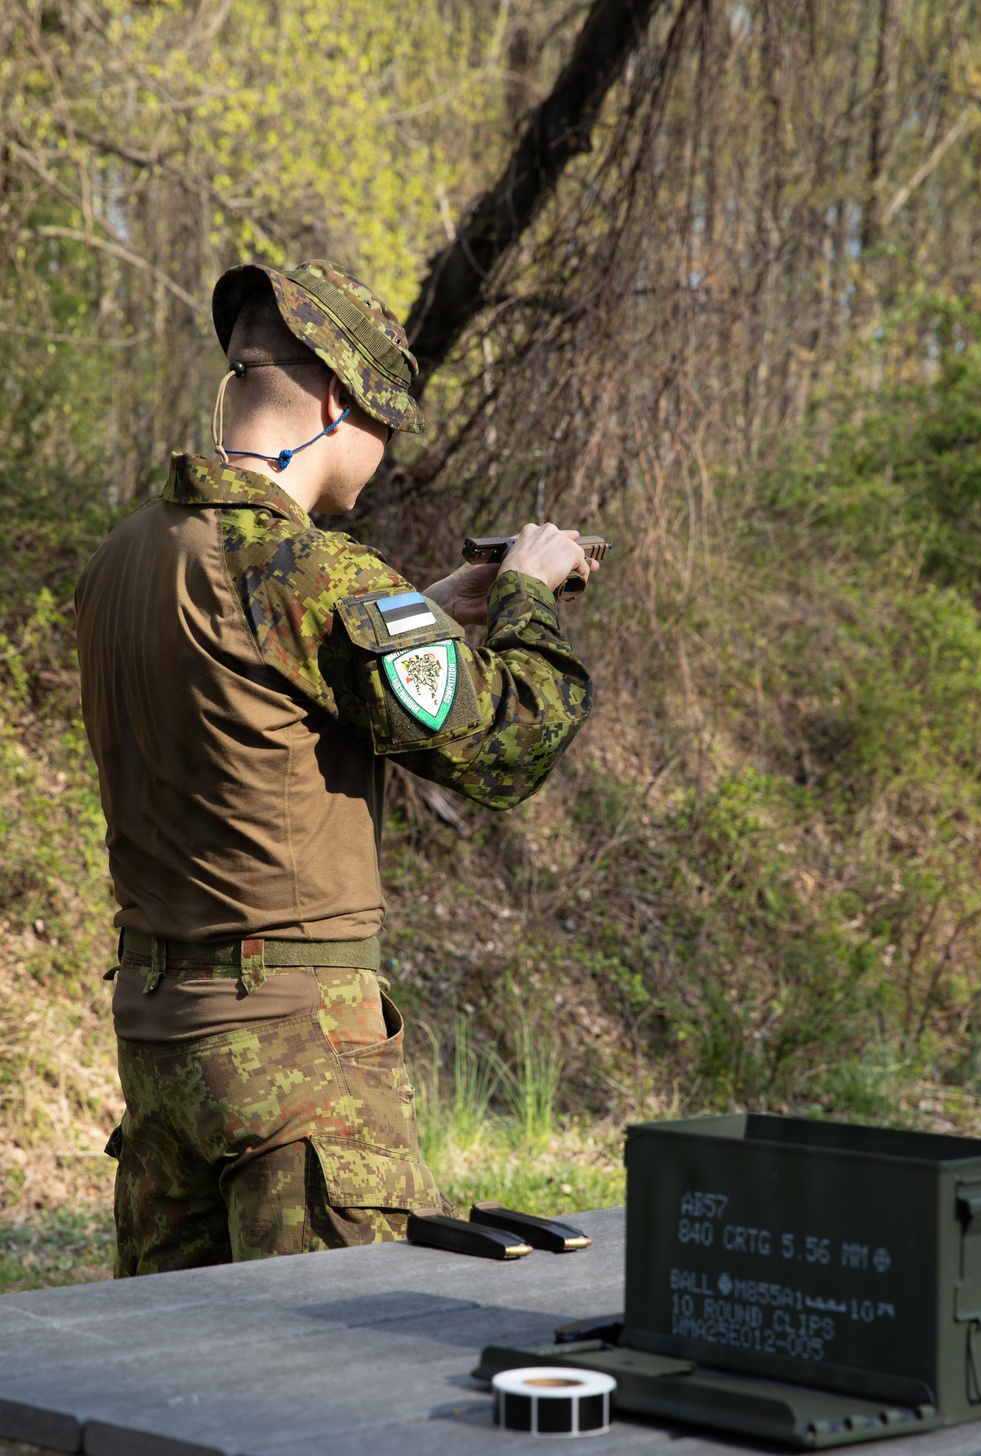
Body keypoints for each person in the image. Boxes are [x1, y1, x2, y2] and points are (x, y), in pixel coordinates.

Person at [74, 259, 596, 1277]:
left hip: (161, 1054)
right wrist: (528, 591)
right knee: (325, 1398)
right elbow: (510, 736)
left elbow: (256, 694)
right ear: (331, 398)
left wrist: (425, 612)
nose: (387, 448)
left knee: (172, 1407)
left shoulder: (124, 559)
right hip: (297, 1069)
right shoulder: (311, 571)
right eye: (384, 418)